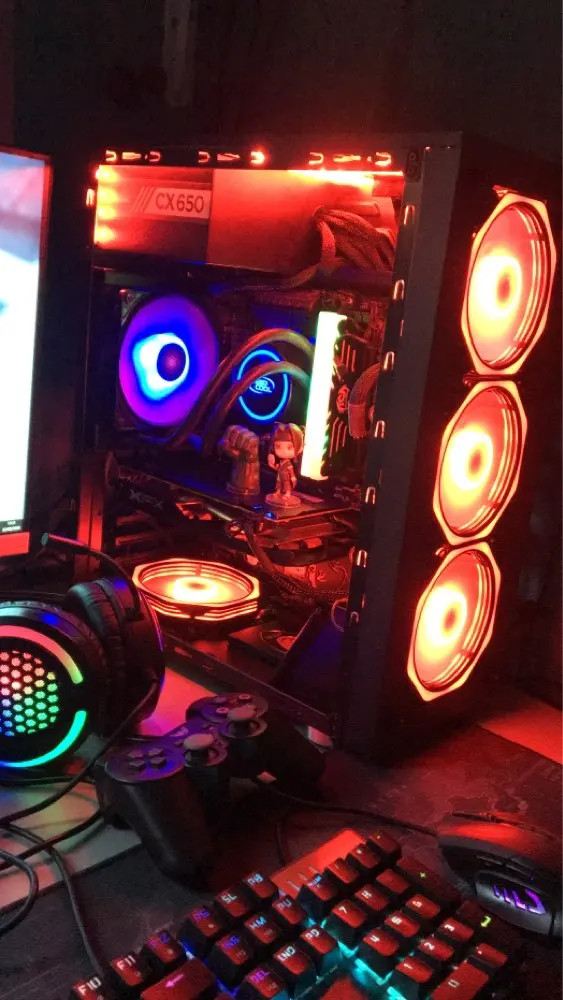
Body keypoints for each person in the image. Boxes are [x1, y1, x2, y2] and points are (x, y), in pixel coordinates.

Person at [266, 423, 304, 507]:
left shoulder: (288, 464)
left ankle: (288, 493)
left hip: (286, 478)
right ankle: (278, 492)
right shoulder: (281, 462)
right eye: (278, 446)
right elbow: (277, 469)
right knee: (279, 484)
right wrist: (271, 465)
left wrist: (293, 478)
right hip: (279, 477)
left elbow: (291, 472)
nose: (283, 451)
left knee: (287, 485)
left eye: (289, 447)